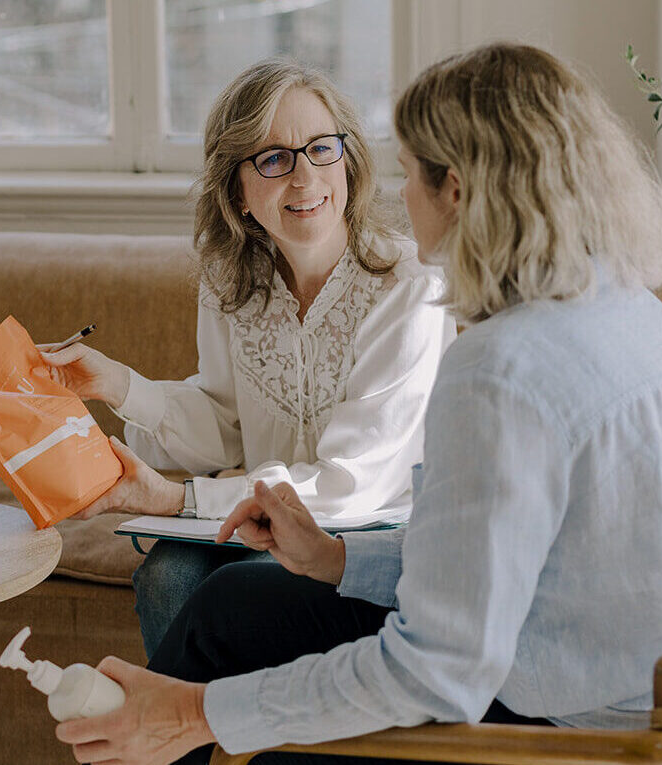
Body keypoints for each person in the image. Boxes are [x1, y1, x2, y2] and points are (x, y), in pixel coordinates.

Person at [53, 43, 662, 765]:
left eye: (408, 173)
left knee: (264, 742)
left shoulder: (497, 370)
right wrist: (336, 558)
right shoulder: (631, 307)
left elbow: (438, 669)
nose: (397, 196)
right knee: (224, 606)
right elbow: (514, 558)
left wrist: (199, 712)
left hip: (590, 730)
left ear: (452, 191)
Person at [40, 59, 456, 657]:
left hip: (363, 535)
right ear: (237, 189)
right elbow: (228, 429)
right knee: (165, 574)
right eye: (273, 158)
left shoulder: (409, 286)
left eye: (321, 148)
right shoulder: (230, 281)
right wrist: (118, 385)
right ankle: (192, 740)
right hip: (250, 526)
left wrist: (176, 499)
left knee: (236, 592)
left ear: (350, 158)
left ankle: (201, 737)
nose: (305, 178)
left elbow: (354, 482)